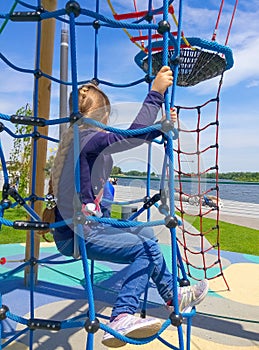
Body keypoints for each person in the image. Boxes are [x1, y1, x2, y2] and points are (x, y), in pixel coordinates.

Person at [44, 66, 209, 348]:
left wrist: (160, 126)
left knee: (146, 233)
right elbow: (132, 136)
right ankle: (122, 316)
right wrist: (156, 93)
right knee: (145, 250)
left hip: (84, 227)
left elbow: (136, 136)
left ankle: (172, 295)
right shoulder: (88, 141)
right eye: (107, 116)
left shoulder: (80, 142)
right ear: (100, 117)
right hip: (79, 235)